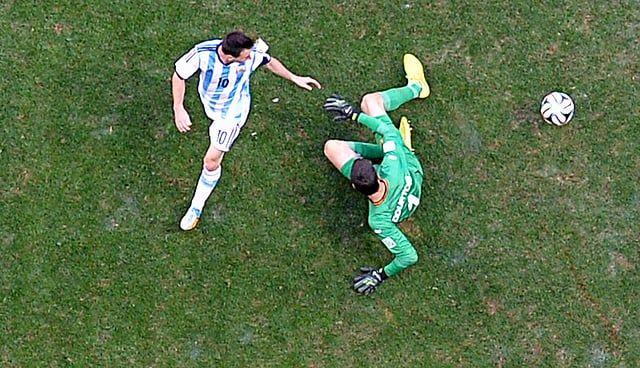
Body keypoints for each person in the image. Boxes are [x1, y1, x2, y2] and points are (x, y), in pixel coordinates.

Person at [172, 30, 321, 230]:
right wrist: (178, 108)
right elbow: (179, 75)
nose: (250, 58)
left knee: (211, 161)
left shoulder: (248, 57)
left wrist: (294, 77)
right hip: (212, 106)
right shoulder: (203, 53)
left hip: (231, 115)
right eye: (245, 56)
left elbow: (268, 60)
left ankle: (196, 207)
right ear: (229, 56)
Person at [322, 53, 430, 295]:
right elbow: (385, 130)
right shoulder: (390, 165)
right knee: (370, 103)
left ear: (354, 187)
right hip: (408, 168)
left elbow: (409, 255)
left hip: (402, 183)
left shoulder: (379, 220)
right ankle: (414, 89)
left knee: (332, 147)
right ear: (377, 173)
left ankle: (418, 87)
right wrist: (355, 115)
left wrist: (381, 275)